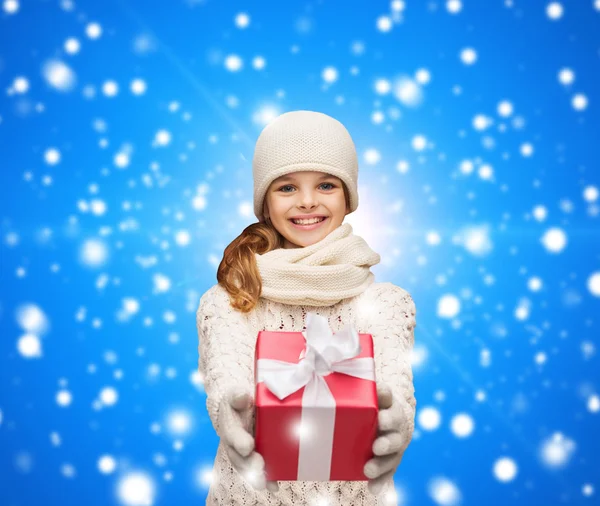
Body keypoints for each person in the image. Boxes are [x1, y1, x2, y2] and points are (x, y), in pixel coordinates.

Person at [197, 110, 417, 505]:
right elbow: (225, 372)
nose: (308, 202)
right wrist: (230, 411)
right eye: (286, 188)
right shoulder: (230, 300)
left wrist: (396, 422)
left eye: (326, 184)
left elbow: (393, 385)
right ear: (264, 202)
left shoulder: (386, 303)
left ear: (349, 197)